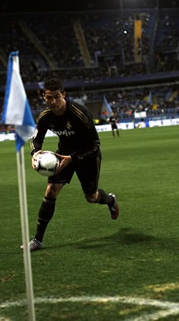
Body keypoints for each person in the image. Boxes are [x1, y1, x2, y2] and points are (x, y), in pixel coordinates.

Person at [24, 78, 119, 251]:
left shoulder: (79, 113)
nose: (53, 101)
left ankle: (110, 200)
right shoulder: (45, 116)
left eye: (56, 97)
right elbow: (36, 138)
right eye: (48, 98)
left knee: (91, 197)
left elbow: (94, 144)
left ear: (64, 95)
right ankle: (37, 240)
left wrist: (72, 158)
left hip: (87, 156)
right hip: (62, 154)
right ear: (44, 98)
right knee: (51, 191)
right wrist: (35, 153)